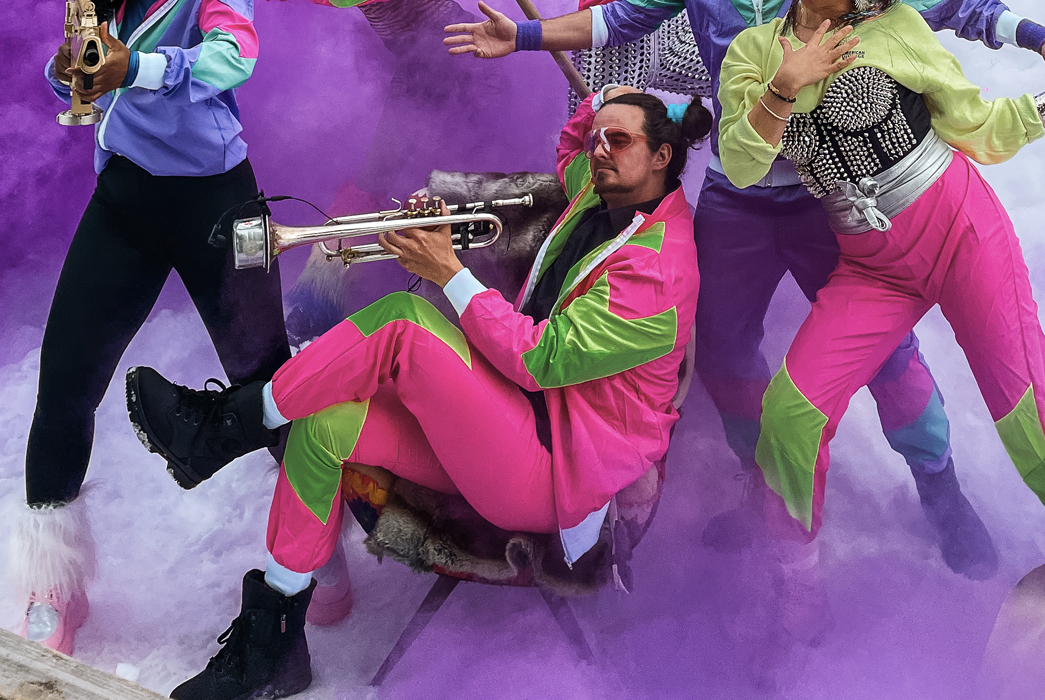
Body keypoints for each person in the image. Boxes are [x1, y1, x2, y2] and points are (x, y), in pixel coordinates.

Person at [124, 87, 709, 699]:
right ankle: (274, 647)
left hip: (556, 469)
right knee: (322, 427)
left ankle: (226, 426)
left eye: (619, 140)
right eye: (599, 138)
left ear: (662, 156)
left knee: (403, 321)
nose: (599, 149)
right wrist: (606, 103)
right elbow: (571, 147)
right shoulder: (601, 186)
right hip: (511, 421)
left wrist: (448, 270)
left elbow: (539, 359)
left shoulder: (659, 272)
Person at [445, 0, 1045, 576]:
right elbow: (619, 19)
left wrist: (1030, 33)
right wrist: (524, 36)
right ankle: (766, 493)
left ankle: (938, 482)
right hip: (738, 196)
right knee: (725, 356)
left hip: (827, 201)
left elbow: (958, 8)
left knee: (887, 354)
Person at [715, 0, 1045, 558]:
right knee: (791, 413)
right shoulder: (754, 50)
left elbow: (976, 124)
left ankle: (941, 490)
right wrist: (784, 86)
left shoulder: (896, 24)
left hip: (959, 231)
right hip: (870, 267)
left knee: (1026, 405)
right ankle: (794, 569)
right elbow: (741, 166)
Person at [14, 0, 291, 656]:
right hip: (125, 201)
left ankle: (311, 555)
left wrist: (135, 67)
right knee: (64, 385)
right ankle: (54, 582)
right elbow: (89, 76)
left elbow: (235, 58)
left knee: (270, 385)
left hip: (217, 203)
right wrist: (68, 71)